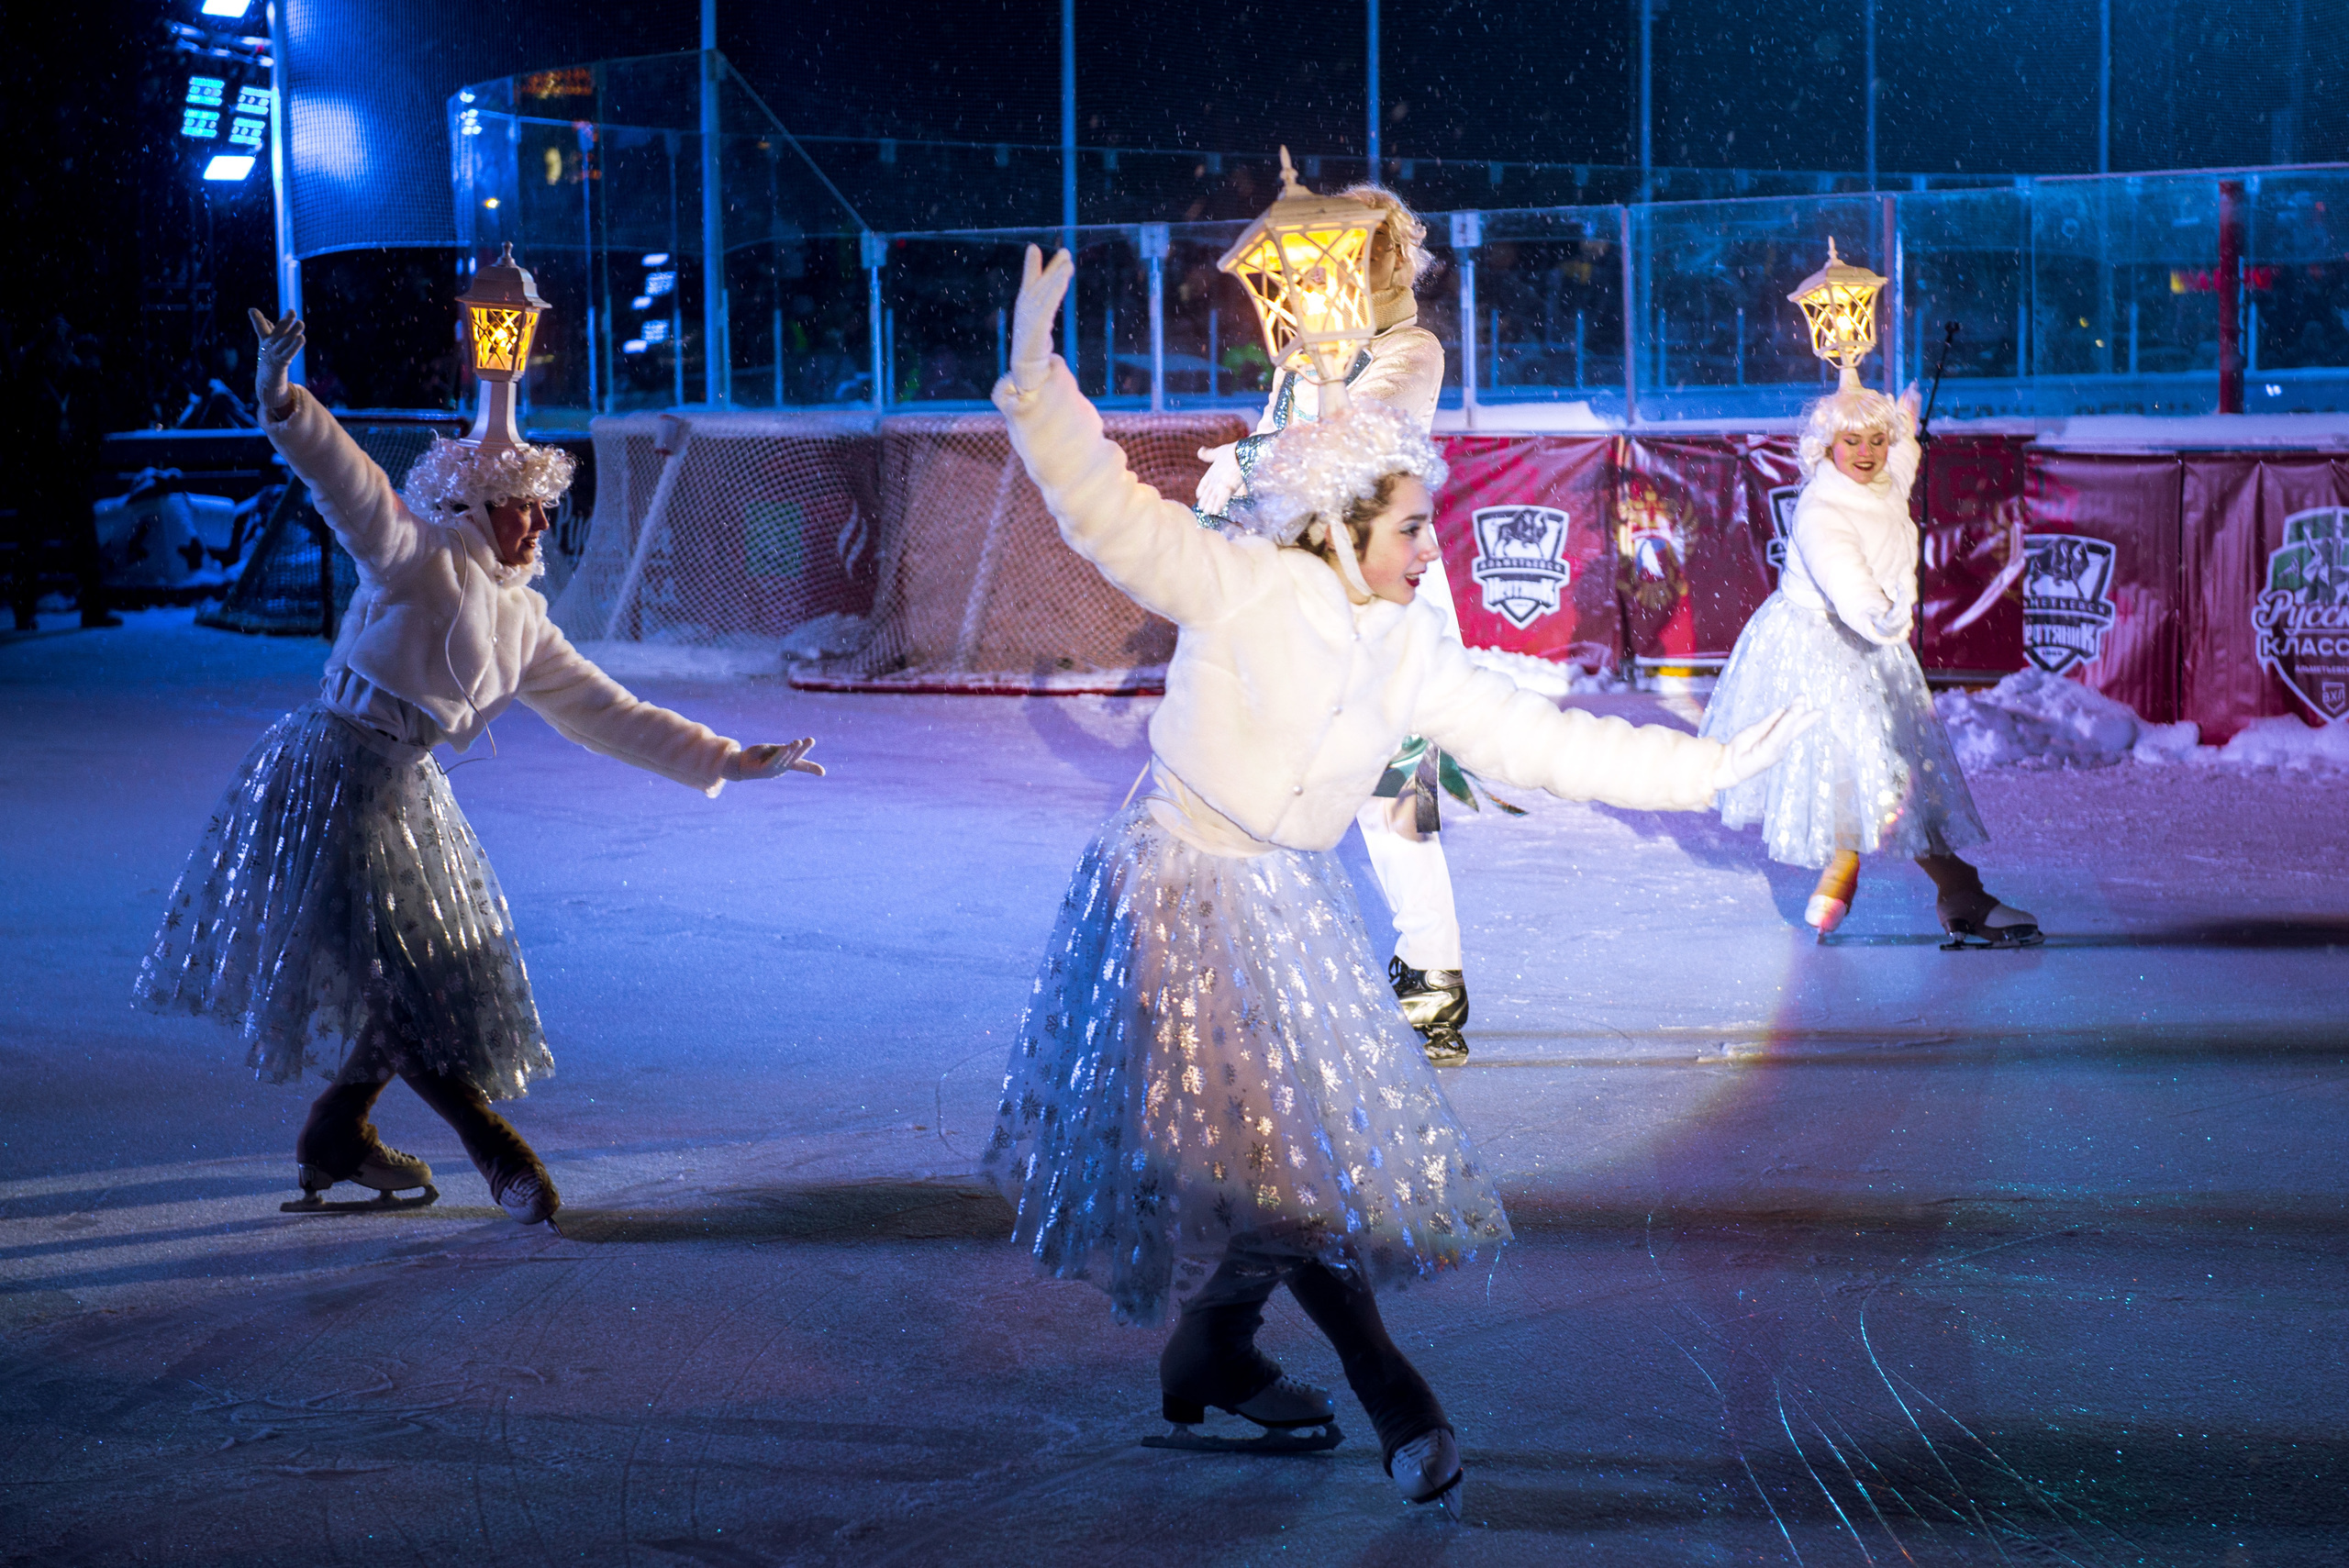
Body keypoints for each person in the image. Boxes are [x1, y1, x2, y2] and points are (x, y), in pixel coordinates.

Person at [981, 247, 1815, 1510]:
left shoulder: (1407, 651)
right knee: (1280, 1167)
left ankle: (1210, 1347)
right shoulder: (1243, 583)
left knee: (1275, 1165)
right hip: (1179, 890)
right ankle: (1395, 1395)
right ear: (1340, 525)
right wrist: (1039, 379)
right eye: (1413, 526)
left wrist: (1709, 774)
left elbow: (1549, 740)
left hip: (1280, 902)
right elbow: (1109, 514)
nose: (1436, 545)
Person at [136, 308, 827, 1227]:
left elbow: (606, 712)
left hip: (406, 793)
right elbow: (347, 481)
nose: (541, 520)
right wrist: (283, 396)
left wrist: (732, 759)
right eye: (524, 504)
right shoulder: (413, 559)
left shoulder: (523, 622)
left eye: (545, 504)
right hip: (334, 774)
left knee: (432, 976)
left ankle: (336, 1131)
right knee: (399, 981)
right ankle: (489, 1147)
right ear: (474, 505)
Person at [1194, 183, 1477, 1064]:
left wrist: (1248, 459)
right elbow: (1285, 448)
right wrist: (1236, 479)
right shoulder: (1305, 353)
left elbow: (1358, 444)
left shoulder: (1409, 347)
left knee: (1396, 803)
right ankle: (1267, 976)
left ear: (1388, 256)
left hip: (1385, 609)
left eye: (1357, 253)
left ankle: (1434, 982)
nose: (1338, 271)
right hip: (1300, 603)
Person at [1698, 379, 2039, 946]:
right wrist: (1878, 617)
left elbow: (1901, 465)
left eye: (1876, 440)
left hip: (1874, 643)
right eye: (1852, 440)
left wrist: (1905, 427)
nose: (1866, 452)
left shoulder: (1881, 480)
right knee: (1862, 765)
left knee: (1902, 769)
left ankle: (1953, 889)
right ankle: (1873, 871)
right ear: (1825, 446)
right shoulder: (1821, 509)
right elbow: (1845, 575)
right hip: (1823, 646)